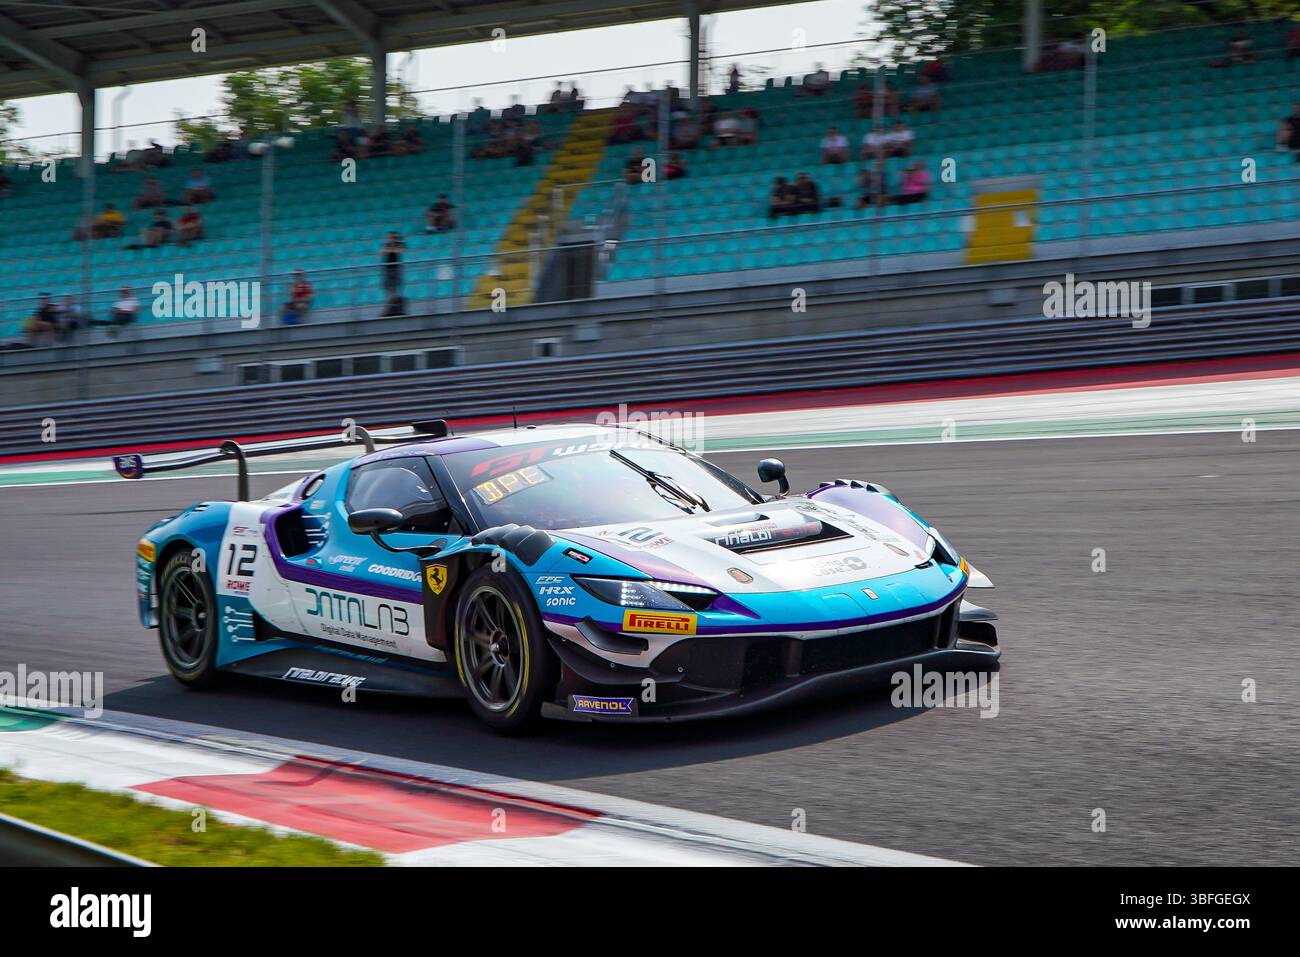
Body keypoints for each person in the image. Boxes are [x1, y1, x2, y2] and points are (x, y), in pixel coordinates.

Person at [381, 232, 404, 300]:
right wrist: (391, 248)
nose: (391, 239)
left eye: (392, 237)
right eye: (389, 237)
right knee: (388, 287)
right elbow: (382, 253)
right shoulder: (386, 244)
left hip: (396, 268)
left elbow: (400, 251)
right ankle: (389, 301)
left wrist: (391, 248)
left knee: (396, 286)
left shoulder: (399, 244)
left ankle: (395, 300)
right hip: (388, 268)